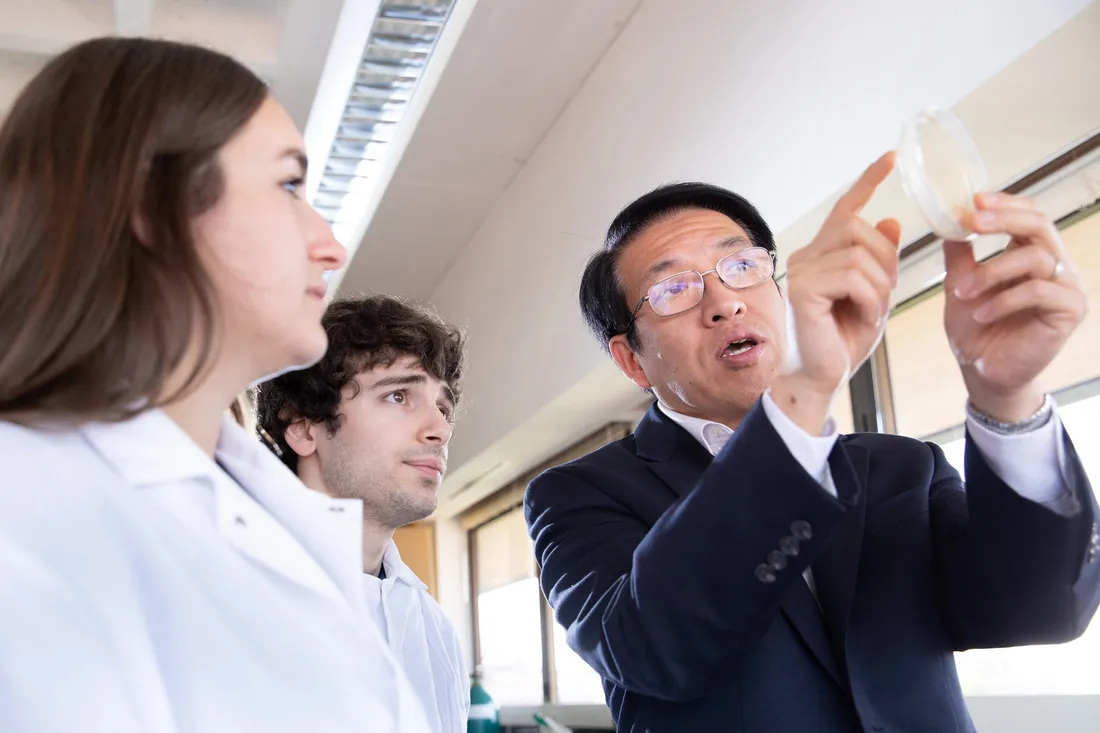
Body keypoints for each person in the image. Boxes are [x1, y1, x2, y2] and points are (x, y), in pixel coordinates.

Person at [524, 152, 1100, 732]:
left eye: (742, 266)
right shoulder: (576, 495)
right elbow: (653, 647)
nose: (725, 301)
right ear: (631, 360)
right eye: (674, 288)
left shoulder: (903, 467)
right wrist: (803, 393)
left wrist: (1006, 396)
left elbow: (1043, 608)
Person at [0, 38, 431, 733]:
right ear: (149, 204)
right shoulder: (26, 514)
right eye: (290, 186)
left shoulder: (254, 502)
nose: (331, 245)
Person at [254, 295, 470, 733]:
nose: (440, 429)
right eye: (398, 396)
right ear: (302, 427)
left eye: (443, 408)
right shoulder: (229, 591)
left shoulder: (436, 631)